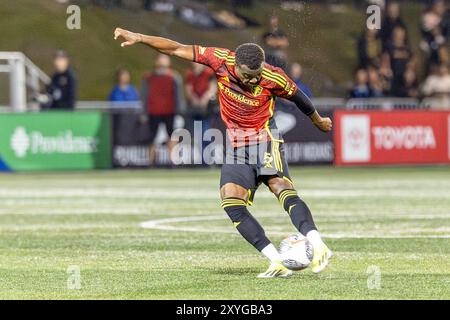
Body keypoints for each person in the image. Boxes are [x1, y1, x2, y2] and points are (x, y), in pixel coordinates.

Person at [114, 27, 333, 278]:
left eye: (257, 75)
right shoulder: (219, 60)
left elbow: (299, 98)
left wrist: (317, 120)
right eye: (249, 76)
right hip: (237, 146)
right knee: (231, 201)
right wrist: (140, 38)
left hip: (264, 138)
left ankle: (318, 245)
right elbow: (175, 48)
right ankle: (277, 261)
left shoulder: (274, 77)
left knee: (280, 188)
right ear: (236, 66)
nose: (253, 81)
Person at [142, 54, 185, 165]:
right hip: (153, 112)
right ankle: (150, 162)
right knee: (151, 138)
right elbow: (144, 96)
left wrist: (179, 112)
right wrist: (143, 112)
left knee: (171, 136)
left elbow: (178, 96)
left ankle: (173, 161)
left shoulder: (174, 77)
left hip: (170, 112)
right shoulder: (148, 78)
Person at [185, 62, 217, 158]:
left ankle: (210, 156)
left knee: (206, 132)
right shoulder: (190, 74)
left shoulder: (209, 73)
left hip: (207, 110)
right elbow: (188, 89)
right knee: (197, 134)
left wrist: (204, 99)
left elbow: (212, 88)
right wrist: (194, 99)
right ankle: (202, 157)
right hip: (194, 109)